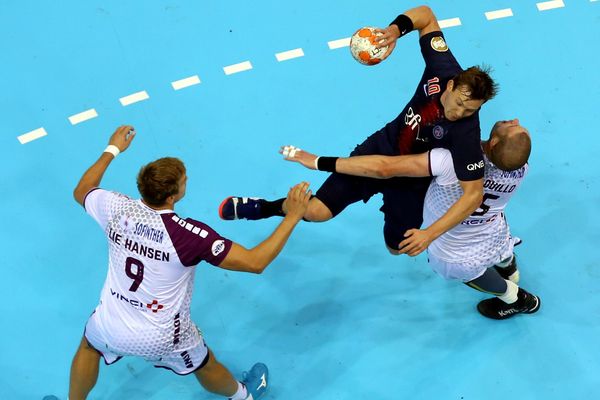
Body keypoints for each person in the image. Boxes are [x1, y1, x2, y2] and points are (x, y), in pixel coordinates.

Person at [219, 5, 497, 257]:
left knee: (397, 248)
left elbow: (473, 195)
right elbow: (425, 14)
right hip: (383, 147)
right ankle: (263, 208)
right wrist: (394, 31)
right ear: (450, 86)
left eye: (471, 110)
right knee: (317, 211)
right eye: (460, 104)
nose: (460, 113)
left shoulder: (466, 134)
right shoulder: (443, 67)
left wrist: (429, 233)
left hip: (412, 182)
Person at [69, 125, 312, 400]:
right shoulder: (189, 235)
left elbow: (83, 190)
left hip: (111, 321)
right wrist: (292, 215)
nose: (187, 180)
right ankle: (245, 396)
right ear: (173, 195)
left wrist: (112, 149)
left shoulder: (115, 208)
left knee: (89, 346)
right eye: (184, 180)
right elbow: (255, 262)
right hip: (160, 335)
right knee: (204, 363)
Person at [280, 119, 540, 319]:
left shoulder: (450, 162)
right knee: (501, 247)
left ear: (493, 143)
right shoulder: (519, 168)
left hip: (456, 248)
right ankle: (510, 268)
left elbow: (384, 168)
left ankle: (516, 299)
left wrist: (317, 161)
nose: (513, 120)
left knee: (475, 274)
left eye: (512, 126)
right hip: (491, 228)